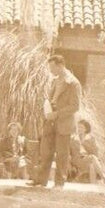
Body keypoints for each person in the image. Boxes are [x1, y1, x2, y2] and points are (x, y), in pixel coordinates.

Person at [30, 55, 81, 188]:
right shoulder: (54, 81)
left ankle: (59, 183)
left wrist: (57, 114)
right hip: (50, 121)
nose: (50, 70)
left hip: (63, 123)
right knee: (45, 151)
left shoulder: (73, 83)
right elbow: (51, 99)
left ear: (60, 65)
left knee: (62, 154)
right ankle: (41, 180)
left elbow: (75, 106)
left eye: (52, 67)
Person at [73, 120, 105, 184]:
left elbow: (95, 152)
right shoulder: (73, 138)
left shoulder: (91, 139)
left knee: (92, 164)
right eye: (78, 127)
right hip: (77, 160)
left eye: (81, 127)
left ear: (86, 129)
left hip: (88, 159)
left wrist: (84, 143)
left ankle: (93, 186)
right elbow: (69, 152)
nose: (79, 129)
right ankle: (104, 178)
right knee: (92, 158)